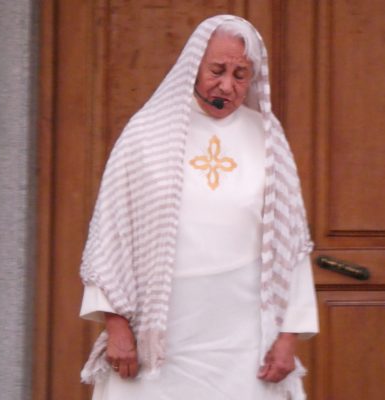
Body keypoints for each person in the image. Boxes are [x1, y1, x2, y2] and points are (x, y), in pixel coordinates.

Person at [79, 14, 318, 400]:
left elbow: (291, 243)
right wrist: (116, 324)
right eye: (217, 70)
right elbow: (110, 233)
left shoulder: (267, 136)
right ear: (194, 66)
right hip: (159, 335)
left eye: (240, 74)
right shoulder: (146, 133)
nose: (227, 85)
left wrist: (288, 335)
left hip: (243, 337)